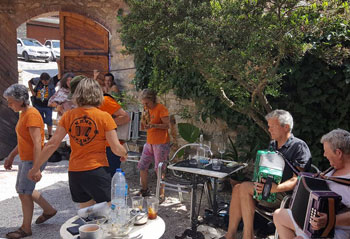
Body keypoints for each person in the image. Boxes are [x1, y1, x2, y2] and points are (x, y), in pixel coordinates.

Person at [28, 78, 128, 209]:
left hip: (75, 172)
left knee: (87, 215)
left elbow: (52, 144)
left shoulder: (68, 116)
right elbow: (115, 148)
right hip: (97, 169)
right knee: (111, 213)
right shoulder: (104, 117)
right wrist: (124, 153)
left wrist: (35, 168)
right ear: (98, 94)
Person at [223, 109, 312, 239]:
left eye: (272, 126)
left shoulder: (299, 146)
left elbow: (297, 180)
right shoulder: (273, 144)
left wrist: (275, 188)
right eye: (269, 126)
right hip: (269, 190)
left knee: (243, 187)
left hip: (286, 196)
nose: (269, 129)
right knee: (237, 188)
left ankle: (248, 236)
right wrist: (262, 183)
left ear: (286, 127)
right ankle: (229, 235)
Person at [274, 129, 350, 239]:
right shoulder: (332, 170)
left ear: (338, 153)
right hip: (313, 222)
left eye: (326, 151)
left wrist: (329, 220)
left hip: (337, 230)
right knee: (279, 215)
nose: (324, 155)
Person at [3, 84, 57, 239]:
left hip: (33, 160)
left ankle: (25, 229)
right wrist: (11, 156)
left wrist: (36, 167)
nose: (9, 104)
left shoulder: (32, 114)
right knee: (25, 188)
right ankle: (49, 210)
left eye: (10, 101)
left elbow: (37, 142)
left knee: (23, 192)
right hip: (27, 159)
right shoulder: (23, 113)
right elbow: (23, 140)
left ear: (20, 100)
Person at [69, 75, 130, 176]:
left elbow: (125, 117)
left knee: (108, 180)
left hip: (108, 147)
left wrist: (105, 124)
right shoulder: (80, 107)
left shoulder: (105, 100)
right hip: (91, 147)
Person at [137, 89, 170, 202]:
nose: (145, 105)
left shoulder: (161, 108)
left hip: (161, 142)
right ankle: (145, 190)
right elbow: (146, 124)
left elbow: (167, 125)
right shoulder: (147, 109)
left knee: (159, 169)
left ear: (153, 100)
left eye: (147, 103)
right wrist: (145, 125)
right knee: (142, 165)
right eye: (144, 103)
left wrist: (154, 125)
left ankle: (161, 194)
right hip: (149, 142)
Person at [28, 72, 59, 139]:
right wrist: (32, 92)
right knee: (39, 121)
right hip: (38, 104)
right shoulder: (37, 80)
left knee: (49, 120)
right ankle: (40, 135)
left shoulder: (52, 81)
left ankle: (50, 135)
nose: (46, 82)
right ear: (41, 80)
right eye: (44, 81)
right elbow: (29, 82)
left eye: (47, 81)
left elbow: (60, 75)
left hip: (48, 106)